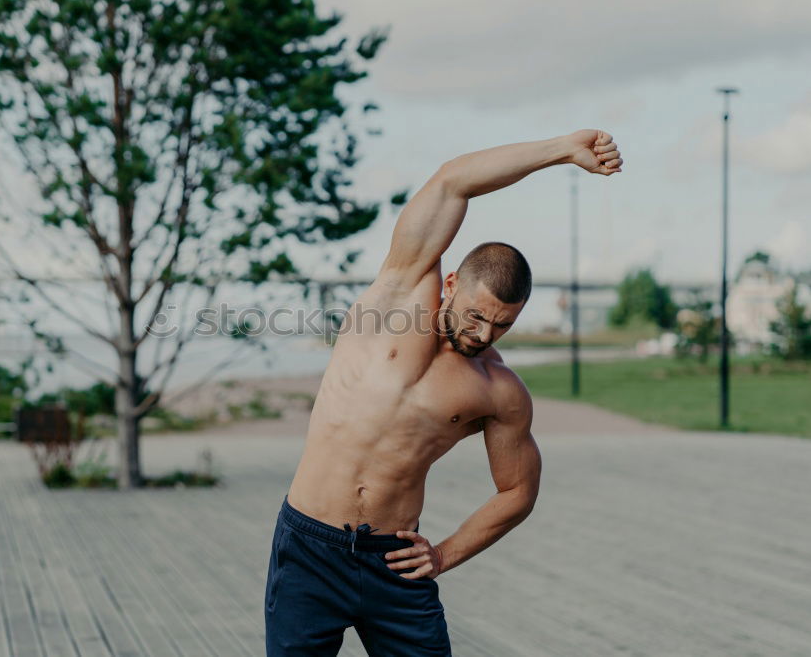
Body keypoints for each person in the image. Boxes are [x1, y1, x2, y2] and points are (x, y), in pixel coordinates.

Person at [264, 130, 623, 655]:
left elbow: (518, 490)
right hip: (309, 549)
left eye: (501, 326)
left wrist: (445, 555)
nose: (482, 335)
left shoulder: (498, 391)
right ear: (451, 283)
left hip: (395, 564)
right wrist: (563, 151)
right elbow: (453, 182)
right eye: (476, 316)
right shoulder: (396, 297)